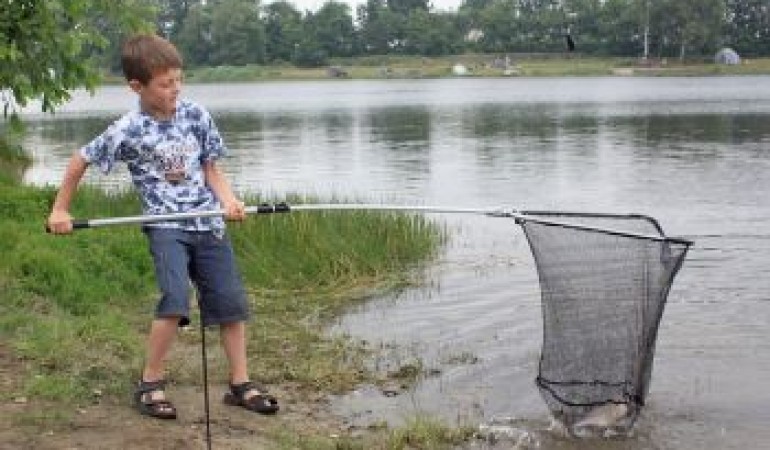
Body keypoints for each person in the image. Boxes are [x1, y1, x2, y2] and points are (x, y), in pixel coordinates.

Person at [46, 34, 278, 419]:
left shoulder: (196, 115)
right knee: (174, 299)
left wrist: (229, 201)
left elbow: (211, 168)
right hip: (165, 225)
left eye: (178, 80)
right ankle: (150, 383)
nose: (176, 89)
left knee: (230, 303)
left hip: (208, 223)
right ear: (137, 86)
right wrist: (60, 210)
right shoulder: (128, 128)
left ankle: (241, 384)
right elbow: (79, 160)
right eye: (165, 84)